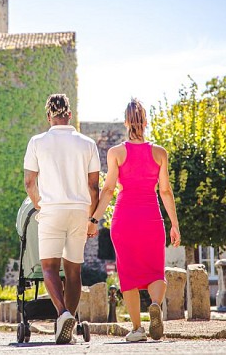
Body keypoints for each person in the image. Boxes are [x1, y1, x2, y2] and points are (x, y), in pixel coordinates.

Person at [88, 99, 181, 342]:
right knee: (155, 271)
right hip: (151, 218)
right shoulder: (160, 153)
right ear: (146, 121)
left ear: (126, 122)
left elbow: (108, 190)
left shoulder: (116, 153)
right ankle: (155, 305)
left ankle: (138, 329)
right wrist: (174, 224)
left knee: (127, 273)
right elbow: (166, 192)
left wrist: (94, 219)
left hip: (125, 218)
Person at [23, 93, 101, 345]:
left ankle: (63, 314)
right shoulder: (87, 143)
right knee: (74, 270)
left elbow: (29, 182)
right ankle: (70, 323)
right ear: (69, 115)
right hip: (79, 210)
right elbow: (94, 187)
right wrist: (92, 218)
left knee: (48, 267)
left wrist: (39, 205)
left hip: (51, 210)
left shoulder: (37, 142)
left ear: (49, 116)